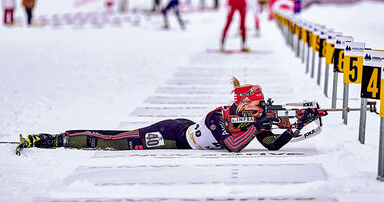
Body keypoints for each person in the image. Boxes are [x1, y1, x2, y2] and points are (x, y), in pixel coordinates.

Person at [19, 77, 319, 152]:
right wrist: (258, 124)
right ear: (243, 105)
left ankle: (58, 138)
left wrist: (294, 127)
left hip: (184, 132)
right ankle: (55, 139)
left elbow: (272, 145)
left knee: (113, 139)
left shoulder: (251, 121)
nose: (259, 110)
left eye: (260, 107)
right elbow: (232, 146)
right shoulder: (218, 116)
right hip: (170, 135)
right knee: (113, 140)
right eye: (256, 107)